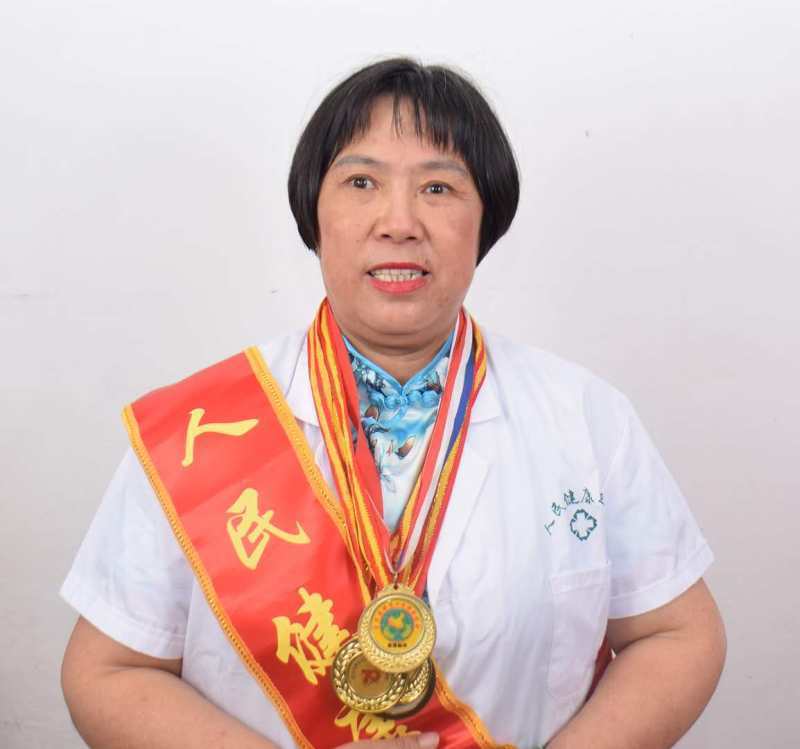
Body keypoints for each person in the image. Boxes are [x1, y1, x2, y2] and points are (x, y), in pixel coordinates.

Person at [60, 58, 726, 749]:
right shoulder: (202, 431)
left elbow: (678, 633)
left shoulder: (584, 416)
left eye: (438, 187)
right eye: (361, 182)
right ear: (314, 213)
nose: (399, 222)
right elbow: (107, 671)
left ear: (485, 219)